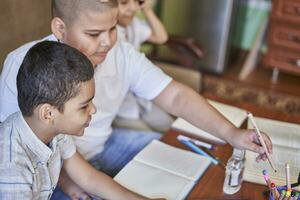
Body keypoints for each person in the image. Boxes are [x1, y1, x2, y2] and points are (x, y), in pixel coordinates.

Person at [0, 0, 272, 199]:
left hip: (98, 150)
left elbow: (175, 95)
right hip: (56, 173)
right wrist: (69, 182)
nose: (107, 42)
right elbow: (26, 147)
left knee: (192, 166)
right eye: (94, 34)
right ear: (60, 27)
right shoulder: (24, 67)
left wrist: (232, 133)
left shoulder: (120, 52)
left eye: (113, 28)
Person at [0, 41, 161, 200]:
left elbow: (88, 178)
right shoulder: (12, 165)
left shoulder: (52, 130)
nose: (93, 110)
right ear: (48, 113)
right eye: (84, 106)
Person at [114, 0, 174, 133]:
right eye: (124, 3)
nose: (132, 8)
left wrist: (146, 10)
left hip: (142, 99)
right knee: (152, 139)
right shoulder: (108, 34)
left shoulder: (134, 25)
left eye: (137, 2)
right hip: (121, 108)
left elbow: (161, 37)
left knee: (171, 128)